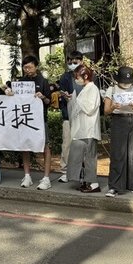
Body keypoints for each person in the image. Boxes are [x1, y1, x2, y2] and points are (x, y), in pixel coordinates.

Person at [9, 55, 54, 189]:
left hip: (40, 119)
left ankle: (46, 178)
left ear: (36, 67)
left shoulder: (43, 81)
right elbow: (15, 100)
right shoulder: (20, 82)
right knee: (25, 146)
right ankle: (27, 175)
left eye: (30, 67)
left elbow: (49, 102)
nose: (27, 70)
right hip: (24, 118)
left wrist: (42, 97)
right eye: (25, 67)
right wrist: (10, 94)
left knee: (45, 146)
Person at [103, 66, 133, 197]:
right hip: (118, 119)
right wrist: (113, 107)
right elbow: (106, 111)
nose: (126, 84)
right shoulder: (112, 90)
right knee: (118, 153)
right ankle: (115, 186)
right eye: (123, 81)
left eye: (128, 82)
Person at [64, 64, 102, 192]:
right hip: (83, 129)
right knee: (82, 157)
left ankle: (93, 183)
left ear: (86, 76)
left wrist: (76, 100)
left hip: (89, 129)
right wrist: (72, 99)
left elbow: (90, 108)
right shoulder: (86, 88)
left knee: (89, 157)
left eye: (78, 77)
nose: (77, 80)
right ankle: (86, 181)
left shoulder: (93, 89)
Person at [57, 52, 84, 182]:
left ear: (81, 61)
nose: (73, 64)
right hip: (68, 115)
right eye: (70, 62)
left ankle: (82, 171)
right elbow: (61, 93)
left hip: (84, 116)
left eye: (75, 62)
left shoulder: (89, 75)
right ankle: (65, 171)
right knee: (67, 144)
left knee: (83, 145)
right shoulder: (65, 77)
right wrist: (64, 96)